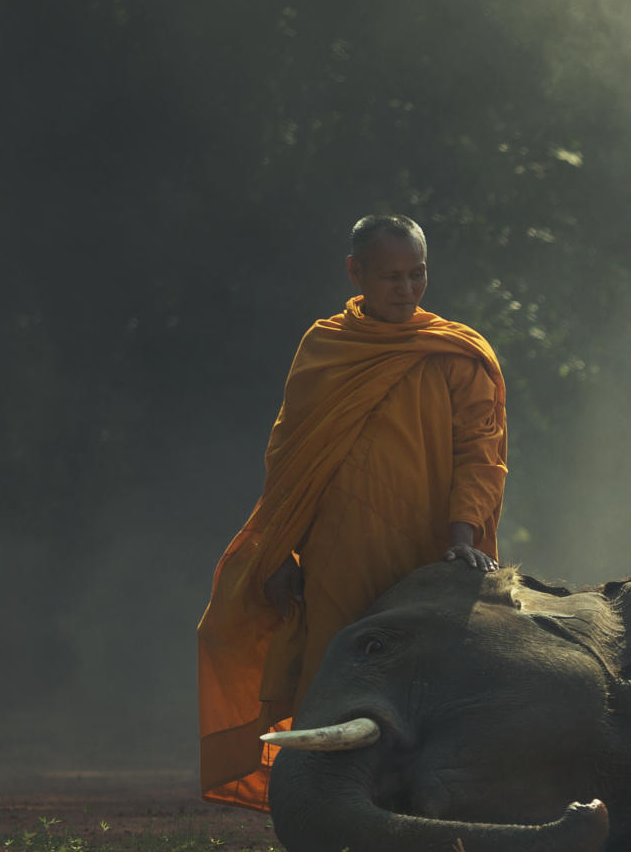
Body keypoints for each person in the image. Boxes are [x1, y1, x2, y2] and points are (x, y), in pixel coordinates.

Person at [196, 214, 508, 810]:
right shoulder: (326, 348)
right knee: (332, 680)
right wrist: (283, 550)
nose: (407, 290)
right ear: (355, 273)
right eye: (391, 277)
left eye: (417, 275)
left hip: (425, 558)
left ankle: (421, 811)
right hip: (337, 555)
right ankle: (320, 808)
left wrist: (462, 536)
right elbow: (292, 462)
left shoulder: (454, 351)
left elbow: (481, 455)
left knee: (425, 684)